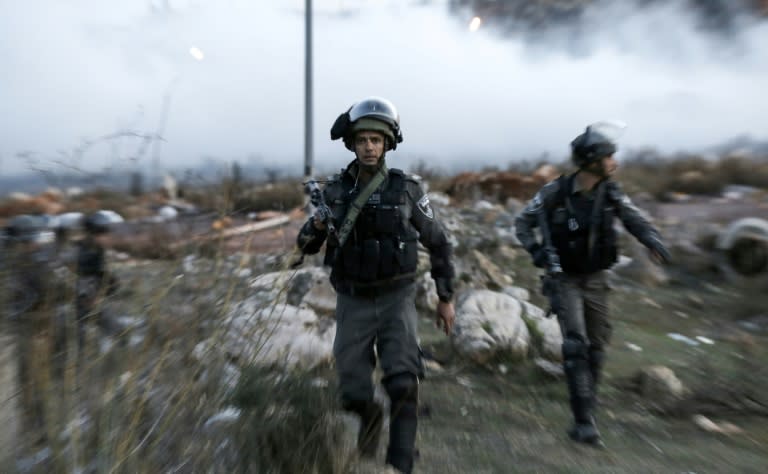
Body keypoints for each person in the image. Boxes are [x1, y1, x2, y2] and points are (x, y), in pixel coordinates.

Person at [296, 96, 456, 473]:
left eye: (376, 140)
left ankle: (399, 464)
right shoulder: (334, 193)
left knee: (403, 384)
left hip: (396, 298)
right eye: (363, 139)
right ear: (352, 143)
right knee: (352, 391)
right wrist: (317, 226)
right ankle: (369, 420)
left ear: (388, 144)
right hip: (353, 300)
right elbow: (305, 245)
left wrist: (445, 298)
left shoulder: (407, 190)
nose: (369, 147)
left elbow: (439, 241)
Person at [515, 122, 670, 446]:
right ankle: (583, 423)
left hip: (597, 279)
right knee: (576, 345)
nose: (614, 161)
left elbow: (632, 217)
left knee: (598, 346)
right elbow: (523, 222)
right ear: (591, 160)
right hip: (564, 279)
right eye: (609, 156)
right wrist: (538, 252)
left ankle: (589, 408)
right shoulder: (555, 192)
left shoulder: (610, 191)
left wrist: (651, 239)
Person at [2, 214, 61, 443]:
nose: (36, 245)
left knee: (31, 382)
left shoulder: (28, 260)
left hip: (21, 329)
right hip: (15, 333)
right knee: (27, 383)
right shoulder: (14, 262)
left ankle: (36, 431)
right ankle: (33, 433)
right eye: (31, 242)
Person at [75, 210, 122, 350]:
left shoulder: (96, 249)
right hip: (85, 301)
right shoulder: (85, 253)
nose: (109, 237)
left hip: (93, 297)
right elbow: (80, 278)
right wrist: (89, 296)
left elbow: (102, 274)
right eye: (105, 234)